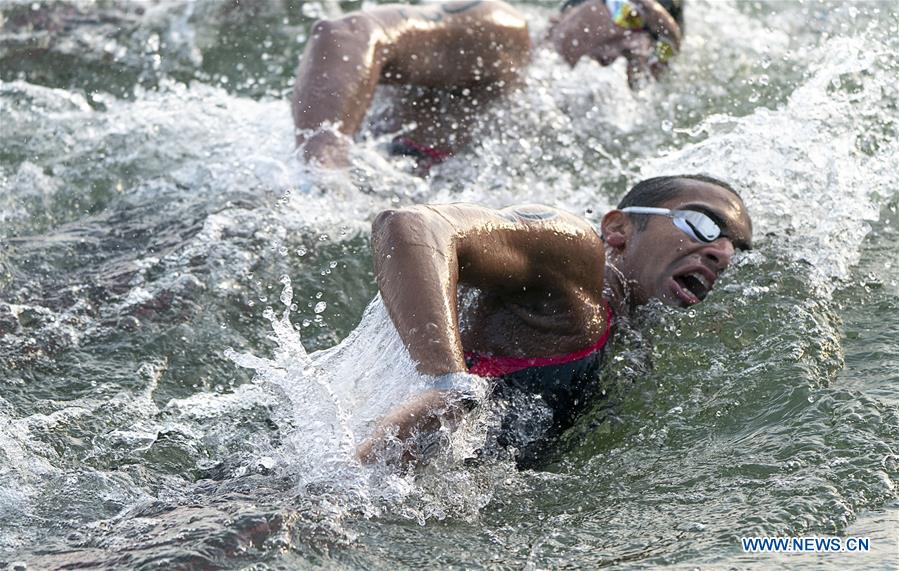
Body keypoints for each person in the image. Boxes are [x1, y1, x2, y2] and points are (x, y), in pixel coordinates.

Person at [356, 174, 752, 466]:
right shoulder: (575, 261)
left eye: (736, 248)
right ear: (618, 230)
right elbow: (408, 225)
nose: (722, 252)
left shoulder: (628, 329)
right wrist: (443, 383)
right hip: (349, 490)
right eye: (703, 225)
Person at [292, 0, 684, 168]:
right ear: (564, 14)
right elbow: (346, 35)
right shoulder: (501, 36)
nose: (637, 41)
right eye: (630, 13)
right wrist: (324, 172)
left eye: (659, 45)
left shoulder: (577, 142)